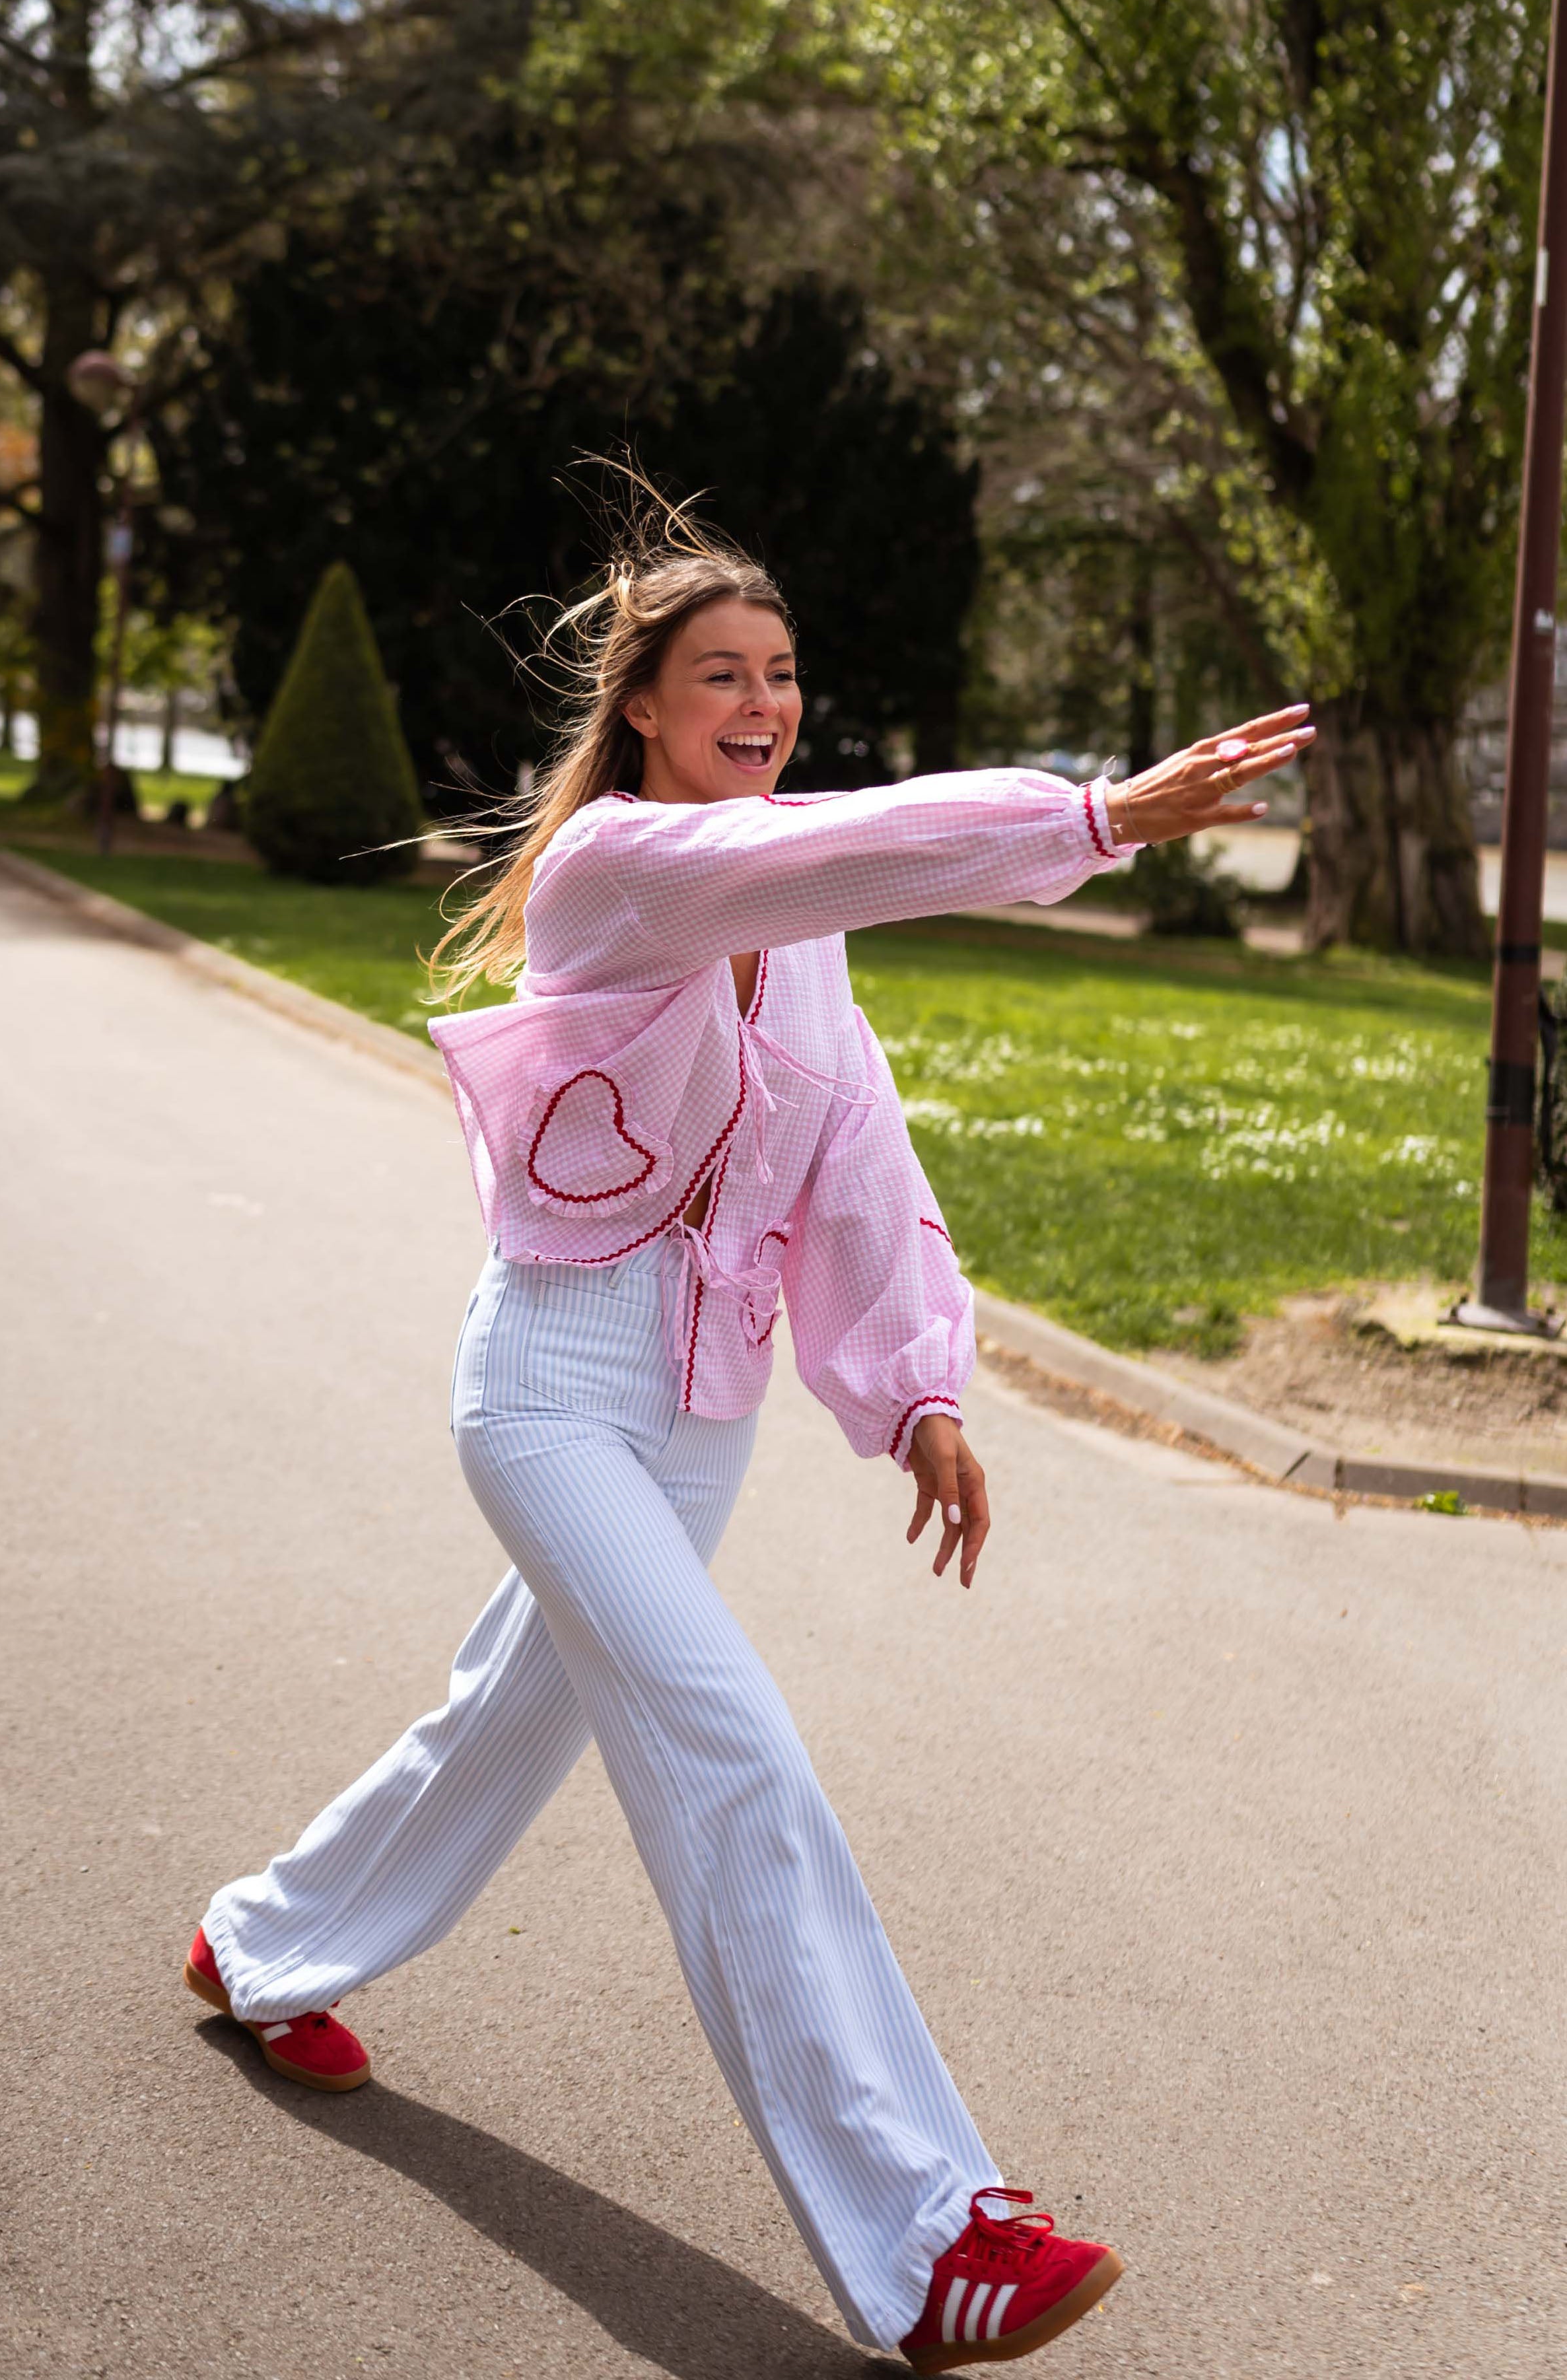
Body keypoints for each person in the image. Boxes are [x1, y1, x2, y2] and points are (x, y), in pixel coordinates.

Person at [183, 492, 1311, 2369]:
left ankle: (258, 1941)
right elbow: (871, 846)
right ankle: (931, 2229)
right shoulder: (622, 867)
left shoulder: (794, 918)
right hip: (550, 1394)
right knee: (733, 1761)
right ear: (640, 707)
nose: (763, 702)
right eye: (722, 674)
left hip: (695, 1416)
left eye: (782, 674)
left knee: (500, 1724)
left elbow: (855, 1148)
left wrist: (920, 1384)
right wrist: (1090, 815)